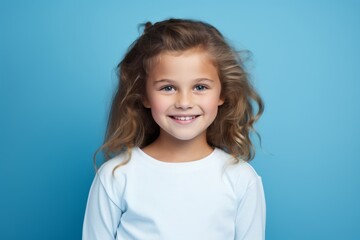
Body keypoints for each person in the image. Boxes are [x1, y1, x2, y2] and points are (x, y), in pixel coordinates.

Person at [83, 18, 265, 240]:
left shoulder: (241, 179)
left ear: (223, 93)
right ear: (144, 95)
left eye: (200, 87)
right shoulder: (117, 176)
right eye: (168, 87)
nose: (184, 102)